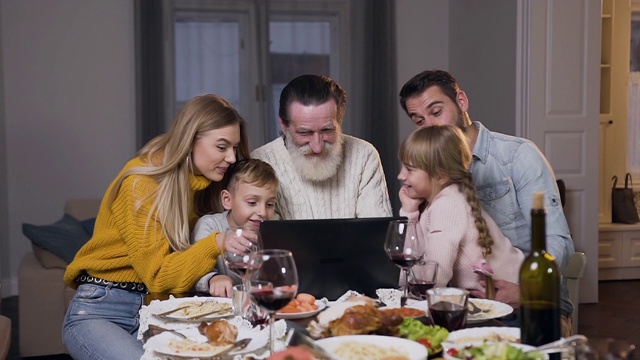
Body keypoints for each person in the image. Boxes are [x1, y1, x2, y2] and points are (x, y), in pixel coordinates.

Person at [62, 94, 253, 360]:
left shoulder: (199, 185)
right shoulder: (143, 183)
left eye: (234, 147)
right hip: (102, 310)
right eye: (222, 147)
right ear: (189, 140)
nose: (232, 157)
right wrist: (217, 243)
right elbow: (158, 275)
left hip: (158, 312)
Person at [399, 69, 575, 335]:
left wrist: (524, 289)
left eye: (437, 112)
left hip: (534, 302)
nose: (431, 126)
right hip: (468, 308)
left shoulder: (517, 156)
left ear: (461, 101)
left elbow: (557, 241)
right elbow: (426, 255)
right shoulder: (428, 172)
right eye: (419, 120)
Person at [398, 125, 525, 292]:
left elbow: (435, 277)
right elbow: (413, 261)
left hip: (511, 305)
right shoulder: (441, 200)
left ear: (440, 176)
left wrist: (405, 296)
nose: (401, 175)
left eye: (410, 169)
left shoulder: (447, 205)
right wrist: (409, 212)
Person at [251, 74, 392, 219]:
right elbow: (264, 236)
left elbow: (379, 234)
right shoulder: (260, 161)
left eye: (327, 130)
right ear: (284, 125)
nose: (317, 147)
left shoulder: (364, 155)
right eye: (304, 132)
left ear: (339, 121)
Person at [191, 158, 279, 296]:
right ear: (227, 200)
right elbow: (194, 270)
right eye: (252, 202)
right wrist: (213, 279)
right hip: (217, 308)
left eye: (270, 204)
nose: (262, 212)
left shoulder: (273, 231)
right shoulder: (210, 226)